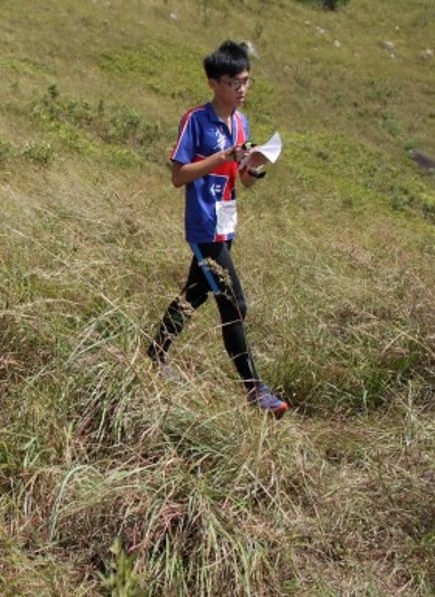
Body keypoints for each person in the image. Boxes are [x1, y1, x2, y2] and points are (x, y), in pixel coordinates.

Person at [146, 40, 288, 417]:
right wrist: (222, 156)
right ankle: (254, 389)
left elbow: (245, 181)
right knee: (234, 304)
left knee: (194, 294)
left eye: (246, 81)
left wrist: (254, 166)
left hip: (227, 224)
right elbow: (179, 176)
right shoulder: (196, 120)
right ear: (214, 83)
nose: (242, 89)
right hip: (204, 227)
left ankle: (153, 354)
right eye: (234, 82)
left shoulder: (241, 123)